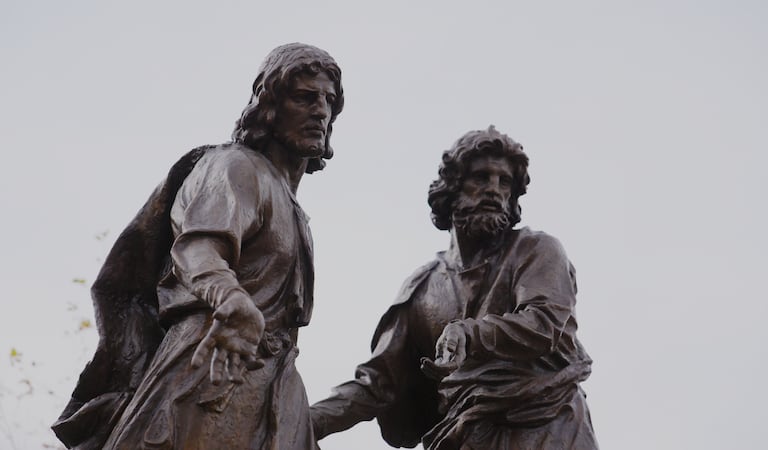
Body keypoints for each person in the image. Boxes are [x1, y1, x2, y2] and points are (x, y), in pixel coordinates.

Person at [52, 42, 344, 450]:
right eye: (305, 97)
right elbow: (197, 249)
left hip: (273, 387)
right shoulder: (237, 167)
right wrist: (231, 299)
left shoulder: (293, 207)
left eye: (329, 100)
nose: (321, 110)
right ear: (270, 105)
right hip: (207, 372)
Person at [310, 126, 598, 449]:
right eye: (481, 178)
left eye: (505, 182)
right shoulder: (422, 288)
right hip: (466, 436)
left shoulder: (537, 251)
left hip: (548, 429)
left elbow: (544, 325)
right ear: (452, 189)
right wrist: (312, 419)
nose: (494, 190)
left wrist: (469, 333)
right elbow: (377, 383)